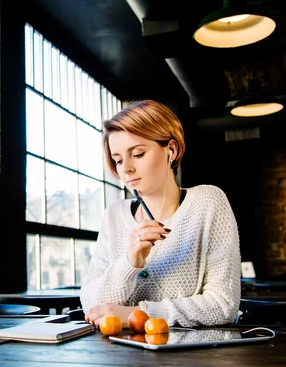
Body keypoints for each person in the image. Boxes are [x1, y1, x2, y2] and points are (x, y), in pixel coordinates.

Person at [80, 100, 241, 328]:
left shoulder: (208, 202)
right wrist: (129, 262)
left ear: (171, 150)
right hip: (121, 358)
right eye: (118, 160)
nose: (125, 168)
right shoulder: (114, 215)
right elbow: (92, 306)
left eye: (137, 154)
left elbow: (223, 306)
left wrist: (139, 314)